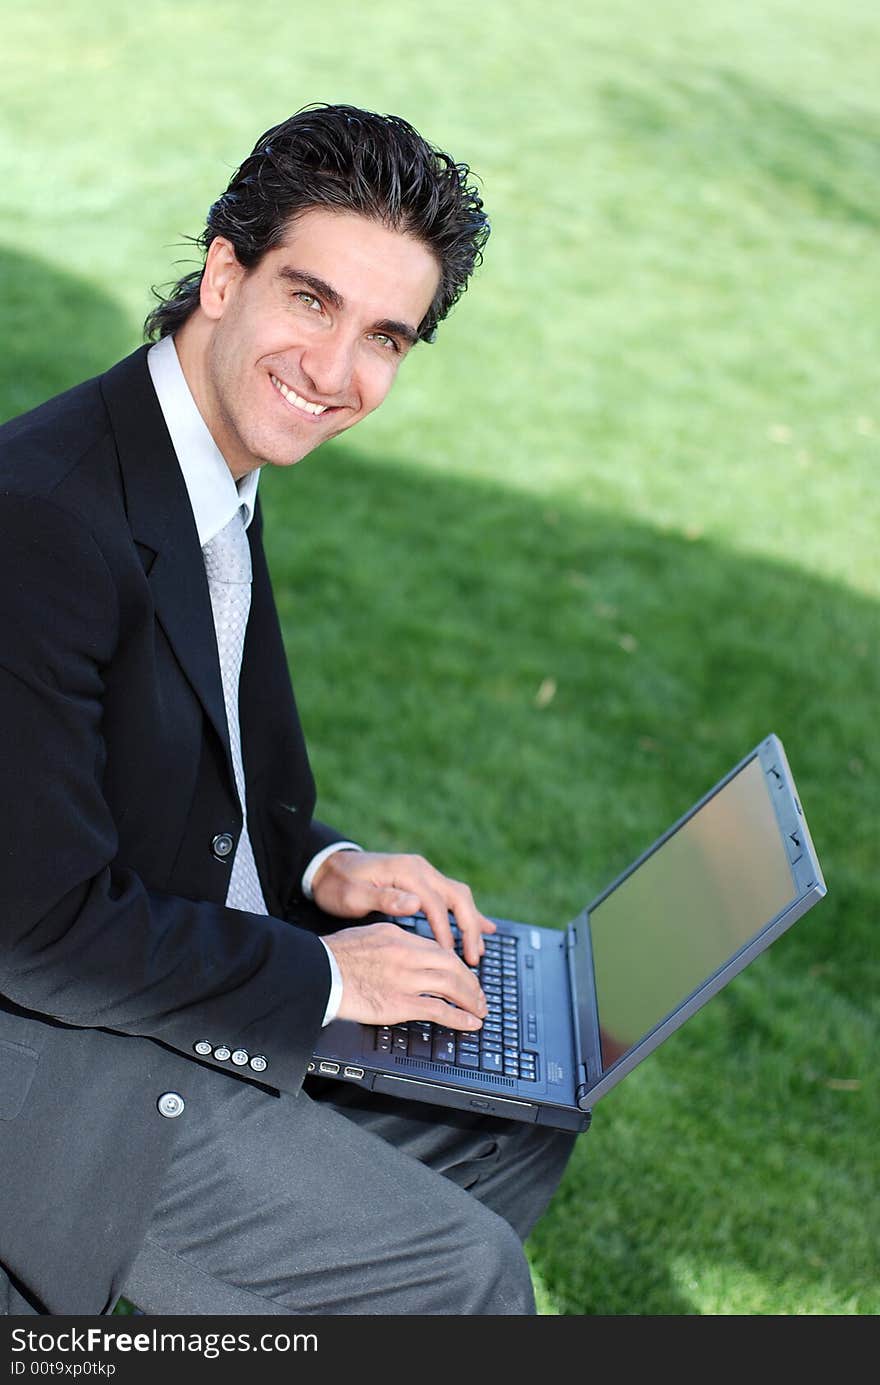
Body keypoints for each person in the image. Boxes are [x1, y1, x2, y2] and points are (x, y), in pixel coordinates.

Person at [0, 103, 575, 1317]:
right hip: (57, 1085)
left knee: (515, 1127)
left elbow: (173, 783)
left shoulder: (206, 471)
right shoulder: (41, 522)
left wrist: (331, 869)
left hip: (162, 998)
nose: (336, 373)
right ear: (223, 274)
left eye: (385, 337)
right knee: (467, 1274)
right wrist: (326, 981)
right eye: (311, 301)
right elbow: (38, 925)